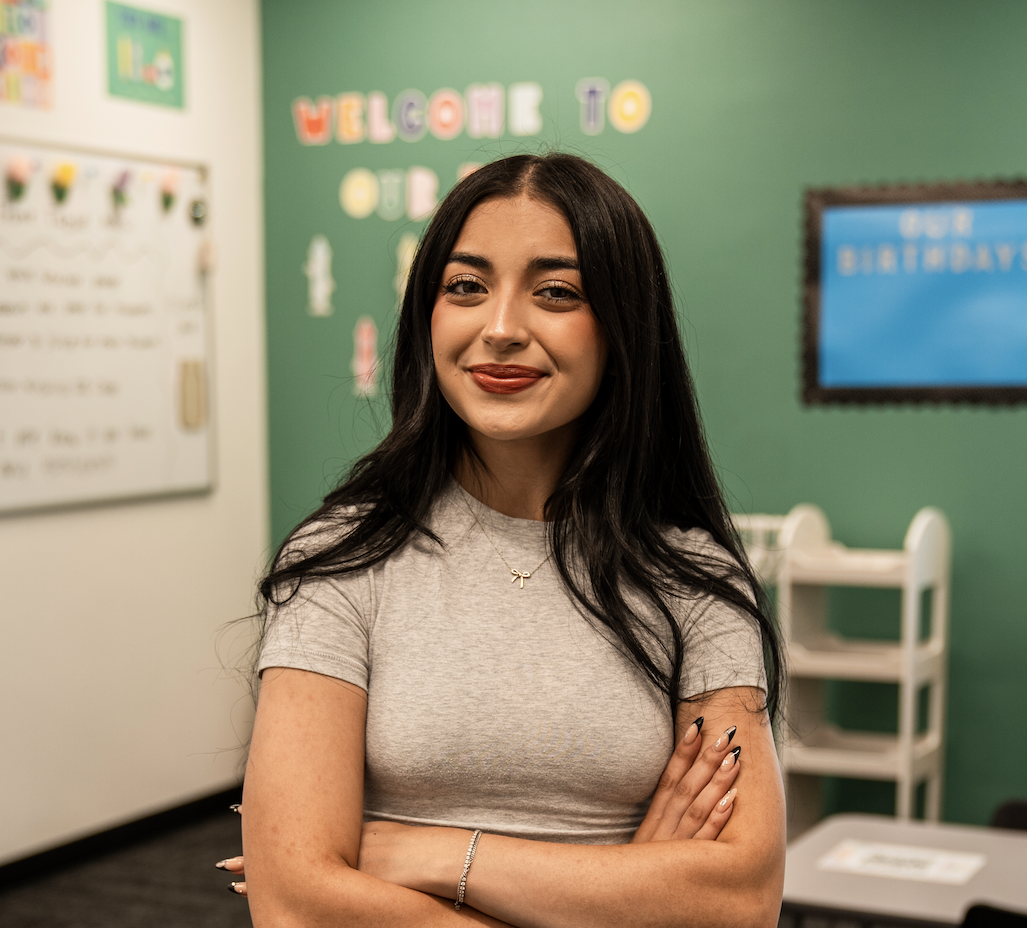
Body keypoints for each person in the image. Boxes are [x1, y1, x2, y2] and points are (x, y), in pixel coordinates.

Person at [228, 152, 786, 927]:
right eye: (465, 287)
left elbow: (738, 901)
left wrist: (426, 853)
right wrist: (628, 886)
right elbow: (295, 903)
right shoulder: (342, 560)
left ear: (622, 326)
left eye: (555, 292)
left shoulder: (691, 582)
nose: (499, 329)